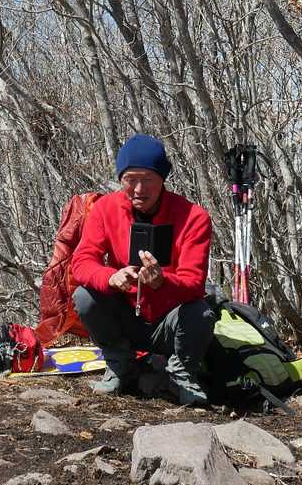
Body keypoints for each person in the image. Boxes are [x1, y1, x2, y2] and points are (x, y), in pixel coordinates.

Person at [69, 134, 217, 405]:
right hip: (125, 314)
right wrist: (111, 277)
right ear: (120, 179)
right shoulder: (105, 209)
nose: (139, 188)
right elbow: (81, 262)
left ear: (162, 179)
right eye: (130, 179)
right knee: (84, 296)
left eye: (148, 179)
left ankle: (181, 374)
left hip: (169, 321)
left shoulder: (193, 217)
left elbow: (194, 283)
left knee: (202, 313)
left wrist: (163, 282)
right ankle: (119, 365)